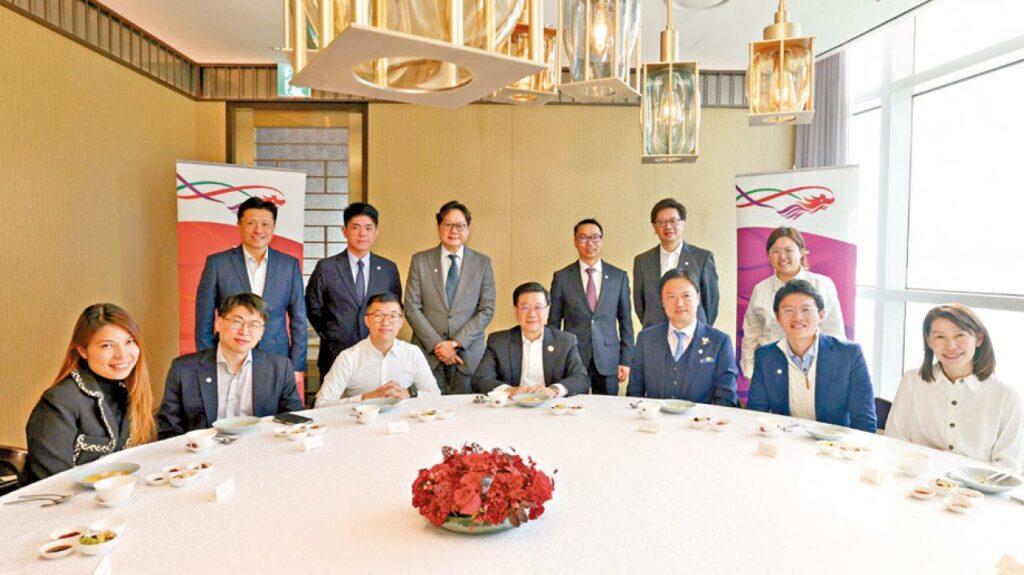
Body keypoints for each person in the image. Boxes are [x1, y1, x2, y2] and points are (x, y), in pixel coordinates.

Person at [25, 304, 156, 482]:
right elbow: (53, 483)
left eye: (129, 341)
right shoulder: (59, 401)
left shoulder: (130, 392)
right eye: (107, 345)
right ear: (82, 351)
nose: (122, 354)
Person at [887, 304, 1023, 467]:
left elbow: (1008, 465)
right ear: (929, 341)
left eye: (960, 335)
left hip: (976, 489)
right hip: (918, 482)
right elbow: (894, 440)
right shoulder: (912, 380)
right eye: (939, 337)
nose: (951, 346)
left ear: (978, 338)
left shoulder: (1006, 396)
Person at [195, 196, 307, 391]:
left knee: (272, 415)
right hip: (228, 356)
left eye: (265, 224)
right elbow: (203, 318)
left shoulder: (288, 265)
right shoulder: (218, 263)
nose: (258, 230)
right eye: (251, 223)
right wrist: (207, 360)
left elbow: (298, 318)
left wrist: (296, 366)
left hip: (276, 355)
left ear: (273, 227)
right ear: (239, 225)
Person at [158, 293, 303, 438]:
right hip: (202, 455)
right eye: (237, 322)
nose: (244, 331)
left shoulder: (279, 367)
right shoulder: (184, 369)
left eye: (254, 325)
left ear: (261, 333)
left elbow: (294, 420)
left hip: (259, 451)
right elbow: (169, 429)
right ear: (219, 324)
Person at [747, 279, 876, 432]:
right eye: (788, 310)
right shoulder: (766, 356)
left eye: (806, 310)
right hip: (786, 445)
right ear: (778, 317)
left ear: (821, 315)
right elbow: (756, 414)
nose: (797, 318)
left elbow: (864, 420)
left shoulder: (848, 355)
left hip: (834, 447)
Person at [405, 200, 496, 395]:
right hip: (429, 353)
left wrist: (455, 343)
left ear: (468, 229)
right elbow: (411, 307)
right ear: (438, 227)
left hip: (467, 354)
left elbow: (486, 309)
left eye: (460, 225)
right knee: (427, 412)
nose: (454, 230)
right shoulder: (420, 260)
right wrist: (438, 346)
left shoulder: (482, 263)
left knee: (466, 416)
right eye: (448, 224)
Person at [306, 202, 402, 379]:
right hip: (336, 352)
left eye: (368, 228)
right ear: (344, 231)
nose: (362, 233)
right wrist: (332, 332)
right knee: (333, 403)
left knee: (375, 404)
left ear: (376, 233)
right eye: (355, 227)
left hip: (378, 354)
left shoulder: (388, 268)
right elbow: (313, 307)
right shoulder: (326, 268)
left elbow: (395, 308)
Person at [741, 227, 845, 379]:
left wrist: (834, 372)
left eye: (788, 250)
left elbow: (835, 332)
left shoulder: (822, 284)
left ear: (801, 253)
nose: (782, 257)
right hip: (770, 369)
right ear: (769, 255)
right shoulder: (761, 289)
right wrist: (750, 372)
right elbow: (752, 334)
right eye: (775, 251)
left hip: (814, 370)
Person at [549, 219, 634, 395]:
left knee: (607, 412)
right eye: (583, 238)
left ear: (602, 241)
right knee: (572, 409)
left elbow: (626, 322)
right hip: (573, 357)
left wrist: (626, 360)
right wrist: (554, 359)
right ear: (575, 242)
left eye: (595, 237)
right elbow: (553, 324)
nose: (590, 243)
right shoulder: (562, 277)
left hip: (608, 358)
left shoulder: (619, 277)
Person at [627, 269, 738, 405]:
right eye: (671, 296)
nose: (679, 303)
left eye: (686, 295)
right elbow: (634, 393)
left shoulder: (720, 342)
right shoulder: (646, 339)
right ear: (662, 301)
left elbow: (726, 399)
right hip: (656, 423)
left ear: (698, 297)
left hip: (701, 423)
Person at [315, 293, 441, 407]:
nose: (386, 322)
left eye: (393, 316)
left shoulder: (412, 353)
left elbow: (435, 395)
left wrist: (409, 394)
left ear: (401, 322)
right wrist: (367, 397)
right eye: (378, 315)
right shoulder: (349, 357)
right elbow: (321, 404)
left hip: (403, 425)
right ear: (367, 320)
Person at [471, 283, 589, 397]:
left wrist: (553, 391)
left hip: (551, 408)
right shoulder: (498, 341)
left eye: (538, 307)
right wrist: (508, 390)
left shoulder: (565, 341)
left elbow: (581, 379)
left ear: (547, 310)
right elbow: (481, 379)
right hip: (512, 408)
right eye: (525, 308)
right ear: (516, 311)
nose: (532, 314)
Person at [633, 198, 719, 328]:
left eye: (673, 221)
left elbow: (710, 303)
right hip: (655, 335)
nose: (668, 226)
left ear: (683, 223)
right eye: (661, 222)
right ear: (655, 227)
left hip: (693, 335)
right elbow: (640, 305)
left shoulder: (702, 258)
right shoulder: (642, 261)